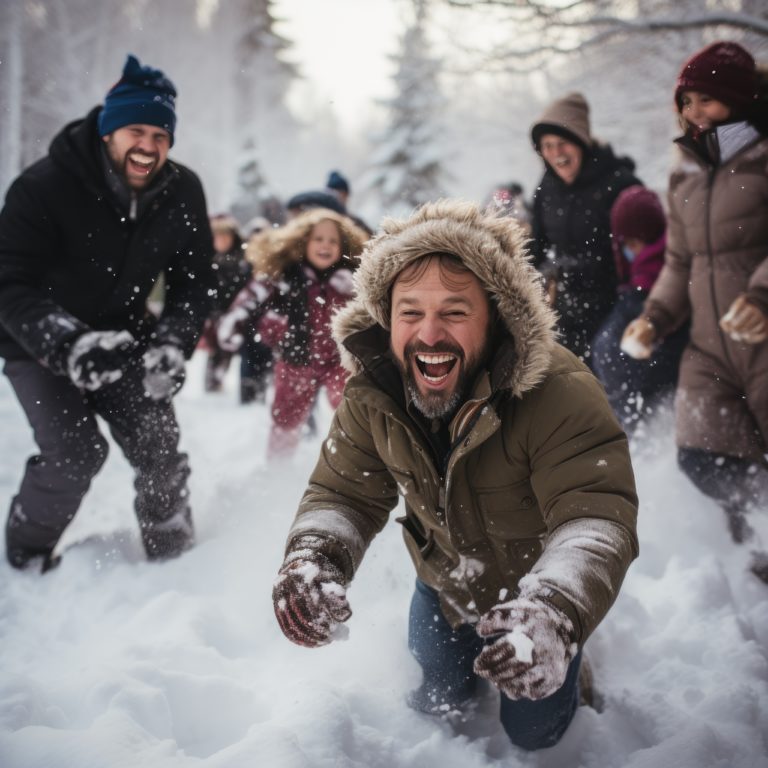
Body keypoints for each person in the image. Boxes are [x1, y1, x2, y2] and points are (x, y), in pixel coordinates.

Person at [271, 200, 639, 750]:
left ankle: (571, 657)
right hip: (443, 582)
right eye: (410, 311)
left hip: (534, 592)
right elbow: (344, 492)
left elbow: (594, 514)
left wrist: (558, 611)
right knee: (438, 696)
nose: (430, 333)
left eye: (455, 311)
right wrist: (314, 557)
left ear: (494, 318)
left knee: (535, 733)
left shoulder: (558, 390)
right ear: (385, 317)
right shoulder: (375, 393)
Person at [0, 54, 215, 570]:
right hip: (39, 343)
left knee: (158, 444)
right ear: (107, 131)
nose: (148, 146)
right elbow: (8, 281)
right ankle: (25, 559)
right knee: (75, 454)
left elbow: (193, 283)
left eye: (161, 136)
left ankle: (177, 562)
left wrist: (171, 344)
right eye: (135, 131)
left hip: (125, 337)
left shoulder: (183, 192)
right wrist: (67, 343)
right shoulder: (44, 186)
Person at [621, 41, 768, 580]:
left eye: (706, 100)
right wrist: (655, 317)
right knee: (702, 454)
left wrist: (761, 297)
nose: (693, 112)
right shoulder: (684, 170)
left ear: (738, 98)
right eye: (686, 100)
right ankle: (757, 531)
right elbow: (680, 261)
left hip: (764, 336)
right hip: (710, 347)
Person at [217, 208, 369, 459]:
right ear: (303, 242)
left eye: (333, 241)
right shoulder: (286, 275)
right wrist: (239, 322)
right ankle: (279, 465)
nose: (325, 245)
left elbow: (374, 308)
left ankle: (360, 461)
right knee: (285, 416)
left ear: (344, 245)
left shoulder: (350, 279)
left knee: (354, 407)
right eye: (318, 239)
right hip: (295, 357)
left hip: (338, 360)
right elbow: (251, 298)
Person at [530, 92, 642, 364]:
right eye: (547, 146)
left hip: (613, 302)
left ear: (581, 142)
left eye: (563, 143)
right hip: (565, 302)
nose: (556, 153)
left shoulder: (620, 185)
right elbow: (536, 248)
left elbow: (642, 257)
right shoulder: (547, 189)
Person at [591, 186, 688, 435]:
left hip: (639, 396)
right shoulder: (672, 264)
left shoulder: (647, 281)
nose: (629, 250)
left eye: (632, 242)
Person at [200, 214, 254, 393]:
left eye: (226, 234)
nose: (222, 239)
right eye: (217, 234)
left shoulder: (244, 261)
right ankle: (214, 383)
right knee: (216, 351)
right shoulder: (205, 259)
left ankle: (248, 388)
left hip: (240, 313)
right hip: (215, 313)